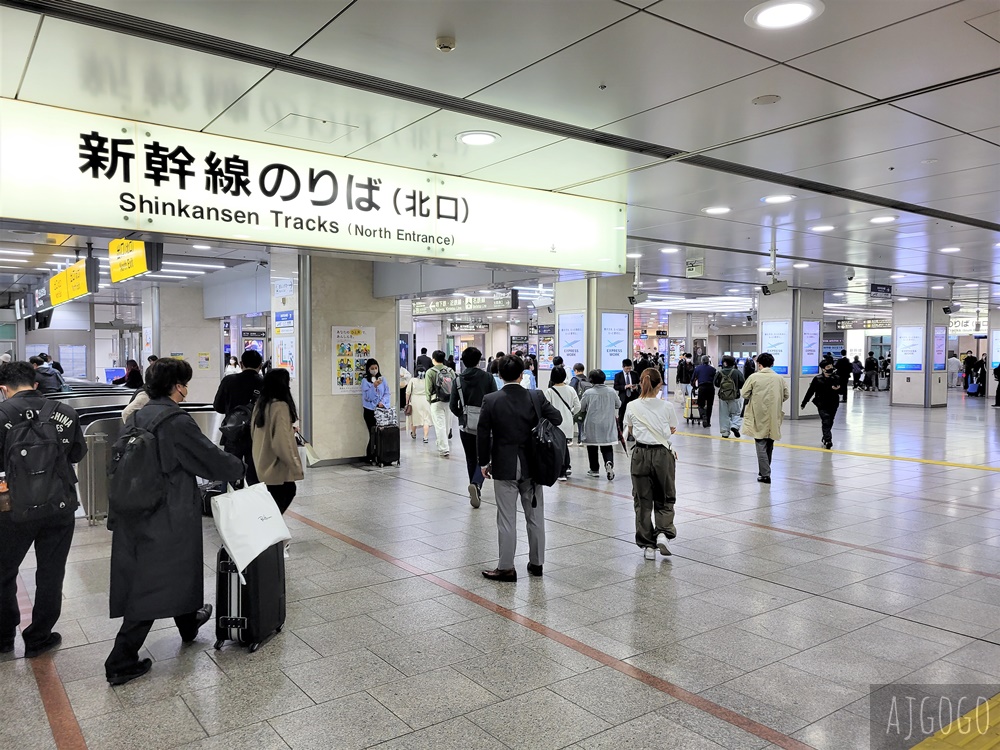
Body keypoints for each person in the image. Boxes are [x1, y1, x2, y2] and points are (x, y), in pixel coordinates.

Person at [105, 358, 244, 686]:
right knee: (153, 582)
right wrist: (238, 467)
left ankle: (189, 623)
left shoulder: (139, 414)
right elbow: (208, 458)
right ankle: (121, 659)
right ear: (175, 386)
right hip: (167, 511)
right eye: (184, 382)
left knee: (178, 568)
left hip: (136, 509)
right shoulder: (175, 420)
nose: (186, 389)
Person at [0, 361, 86, 658]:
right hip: (59, 506)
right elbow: (76, 453)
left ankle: (3, 635)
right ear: (35, 384)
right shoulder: (66, 412)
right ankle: (39, 636)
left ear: (4, 389)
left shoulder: (1, 414)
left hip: (11, 508)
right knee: (51, 572)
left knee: (4, 570)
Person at [477, 355, 562, 582]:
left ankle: (506, 568)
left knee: (506, 518)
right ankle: (537, 563)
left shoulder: (491, 399)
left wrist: (484, 463)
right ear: (522, 375)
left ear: (500, 376)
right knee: (535, 515)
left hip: (504, 465)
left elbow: (483, 434)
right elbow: (558, 418)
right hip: (532, 464)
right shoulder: (535, 396)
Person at [623, 368, 677, 560]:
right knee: (665, 496)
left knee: (642, 501)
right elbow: (670, 430)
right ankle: (663, 533)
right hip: (662, 455)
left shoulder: (631, 406)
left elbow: (629, 430)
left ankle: (647, 545)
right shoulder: (667, 406)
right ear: (660, 384)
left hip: (640, 454)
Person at [251, 368, 303, 514]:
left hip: (262, 462)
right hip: (275, 467)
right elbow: (281, 443)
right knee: (287, 492)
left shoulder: (261, 404)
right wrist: (295, 466)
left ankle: (269, 530)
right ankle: (270, 531)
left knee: (273, 501)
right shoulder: (280, 406)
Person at [450, 347, 497, 508]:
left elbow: (452, 405)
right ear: (479, 361)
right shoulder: (488, 377)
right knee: (485, 457)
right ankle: (476, 484)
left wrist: (462, 416)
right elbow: (494, 400)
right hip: (486, 425)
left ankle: (474, 486)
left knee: (471, 458)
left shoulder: (458, 380)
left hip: (466, 426)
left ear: (462, 361)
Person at [213, 349, 264, 485]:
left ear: (241, 364)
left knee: (230, 472)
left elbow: (218, 406)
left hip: (233, 433)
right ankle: (253, 502)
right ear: (260, 365)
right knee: (254, 475)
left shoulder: (229, 380)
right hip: (257, 435)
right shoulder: (264, 383)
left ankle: (229, 500)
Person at [741, 352, 789, 485]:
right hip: (774, 414)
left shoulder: (754, 377)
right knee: (769, 442)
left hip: (758, 412)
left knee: (760, 442)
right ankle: (765, 471)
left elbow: (744, 393)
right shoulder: (779, 378)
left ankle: (765, 474)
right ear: (772, 364)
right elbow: (786, 395)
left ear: (759, 363)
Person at [579, 369, 620, 480]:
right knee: (607, 445)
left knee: (592, 446)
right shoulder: (611, 391)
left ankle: (594, 469)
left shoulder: (588, 393)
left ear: (591, 380)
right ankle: (609, 463)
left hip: (592, 423)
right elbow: (618, 404)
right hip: (607, 422)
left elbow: (582, 408)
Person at [543, 366, 580, 481]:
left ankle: (562, 471)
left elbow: (546, 408)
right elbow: (578, 406)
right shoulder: (571, 389)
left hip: (555, 423)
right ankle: (567, 466)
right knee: (563, 445)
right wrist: (570, 413)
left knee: (558, 448)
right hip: (568, 421)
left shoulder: (549, 391)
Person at [801, 359, 841, 449]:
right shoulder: (817, 379)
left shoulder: (836, 377)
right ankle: (828, 440)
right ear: (823, 369)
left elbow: (842, 390)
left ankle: (825, 436)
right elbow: (810, 391)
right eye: (828, 367)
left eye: (831, 366)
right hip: (821, 403)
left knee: (830, 421)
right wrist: (804, 402)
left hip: (833, 402)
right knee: (826, 420)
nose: (830, 368)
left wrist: (838, 389)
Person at [361, 358, 391, 464]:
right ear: (368, 369)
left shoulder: (383, 379)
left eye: (376, 368)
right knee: (373, 433)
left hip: (381, 410)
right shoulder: (365, 381)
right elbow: (368, 397)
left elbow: (387, 393)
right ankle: (370, 455)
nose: (374, 370)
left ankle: (381, 455)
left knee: (381, 433)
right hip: (370, 411)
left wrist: (383, 402)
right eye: (372, 368)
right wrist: (374, 386)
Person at [425, 350, 453, 457]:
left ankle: (444, 448)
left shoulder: (430, 372)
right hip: (448, 401)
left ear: (433, 359)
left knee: (440, 425)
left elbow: (428, 389)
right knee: (446, 425)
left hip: (436, 401)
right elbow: (455, 386)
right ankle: (442, 444)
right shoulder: (450, 371)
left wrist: (429, 400)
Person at [713, 355, 744, 438]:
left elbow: (716, 383)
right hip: (735, 396)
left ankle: (725, 432)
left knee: (724, 414)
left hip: (723, 397)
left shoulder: (720, 372)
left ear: (724, 363)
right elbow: (742, 383)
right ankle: (735, 426)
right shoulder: (737, 372)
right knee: (737, 413)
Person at [613, 359, 640, 433]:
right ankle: (620, 432)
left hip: (633, 397)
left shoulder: (635, 374)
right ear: (623, 367)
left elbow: (639, 384)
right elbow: (615, 386)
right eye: (627, 368)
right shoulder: (618, 375)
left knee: (634, 415)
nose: (628, 370)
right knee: (621, 415)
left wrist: (636, 387)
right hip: (623, 397)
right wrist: (625, 386)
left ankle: (632, 433)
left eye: (630, 368)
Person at [692, 355, 718, 429]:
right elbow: (715, 379)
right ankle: (708, 422)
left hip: (702, 388)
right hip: (710, 388)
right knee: (710, 405)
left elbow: (693, 379)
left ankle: (703, 416)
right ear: (708, 361)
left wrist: (694, 387)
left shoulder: (698, 369)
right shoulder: (713, 369)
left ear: (702, 361)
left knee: (700, 404)